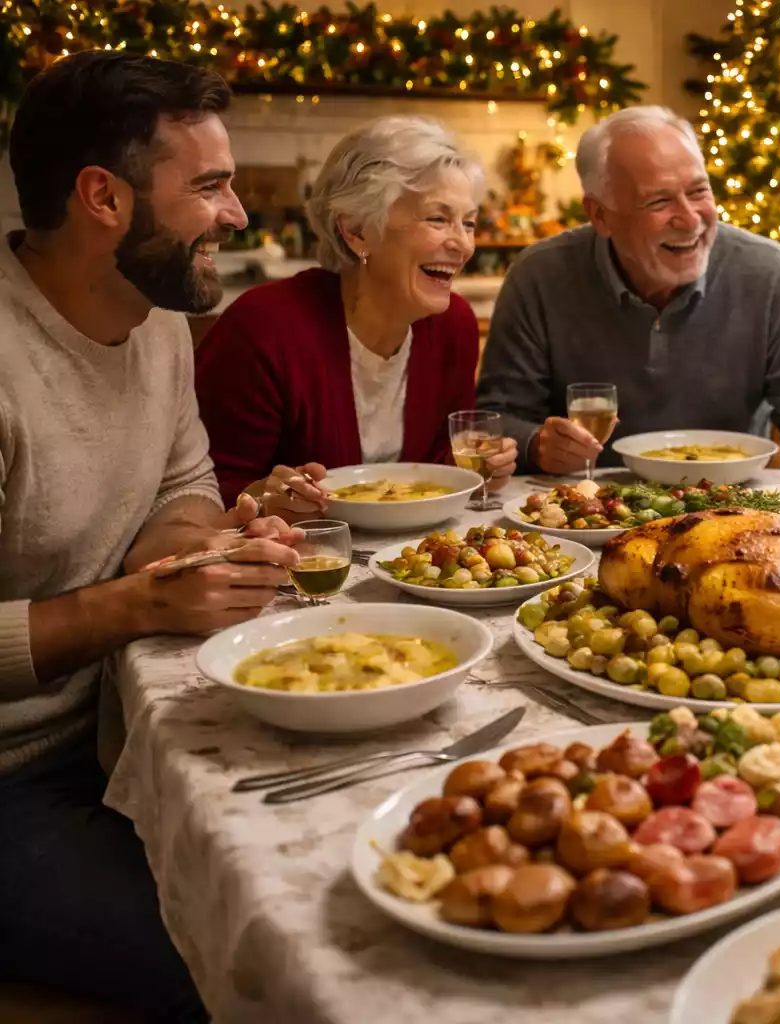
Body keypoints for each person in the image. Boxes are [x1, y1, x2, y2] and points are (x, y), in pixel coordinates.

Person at [0, 51, 302, 1019]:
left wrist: (191, 549)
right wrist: (133, 605)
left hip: (124, 728)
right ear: (102, 197)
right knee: (262, 959)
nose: (239, 215)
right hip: (15, 780)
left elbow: (183, 481)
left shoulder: (157, 313)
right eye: (210, 186)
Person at [475, 105, 780, 474]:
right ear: (600, 215)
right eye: (659, 201)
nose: (690, 219)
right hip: (584, 516)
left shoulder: (769, 273)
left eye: (698, 192)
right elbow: (498, 420)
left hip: (731, 514)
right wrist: (536, 445)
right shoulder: (539, 276)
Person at [195, 116, 517, 520]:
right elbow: (202, 491)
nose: (463, 244)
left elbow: (435, 463)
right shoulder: (264, 327)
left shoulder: (454, 326)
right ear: (356, 230)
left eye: (468, 222)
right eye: (438, 219)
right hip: (296, 566)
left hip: (413, 560)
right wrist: (262, 497)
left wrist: (482, 465)